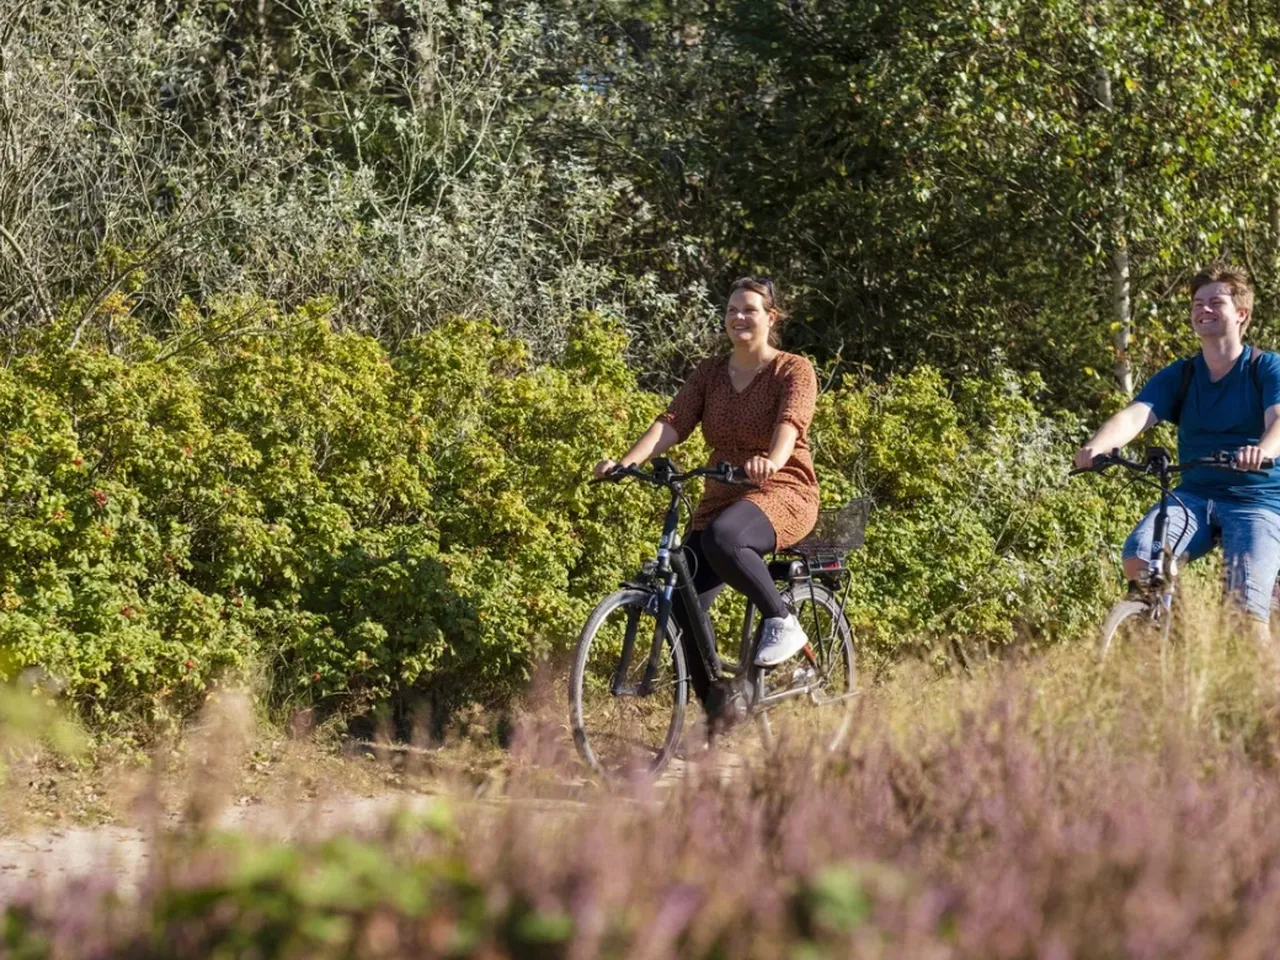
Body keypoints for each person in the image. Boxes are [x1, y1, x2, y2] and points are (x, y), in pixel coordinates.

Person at [594, 277, 820, 703]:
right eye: (732, 309)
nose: (738, 317)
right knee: (683, 603)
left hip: (782, 490)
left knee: (725, 537)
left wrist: (771, 460)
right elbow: (673, 421)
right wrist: (627, 462)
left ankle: (782, 620)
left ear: (771, 318)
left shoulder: (792, 369)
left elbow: (791, 423)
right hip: (721, 497)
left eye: (749, 309)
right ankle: (720, 711)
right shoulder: (711, 372)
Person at [1074, 263, 1280, 642]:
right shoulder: (1182, 374)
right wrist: (1097, 446)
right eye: (1197, 303)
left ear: (1241, 314)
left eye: (1215, 302)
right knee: (1140, 556)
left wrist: (1262, 450)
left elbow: (1279, 420)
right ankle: (1175, 632)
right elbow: (1136, 415)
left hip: (1257, 500)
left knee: (1245, 615)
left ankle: (1266, 699)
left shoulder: (1264, 368)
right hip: (1195, 495)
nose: (1203, 309)